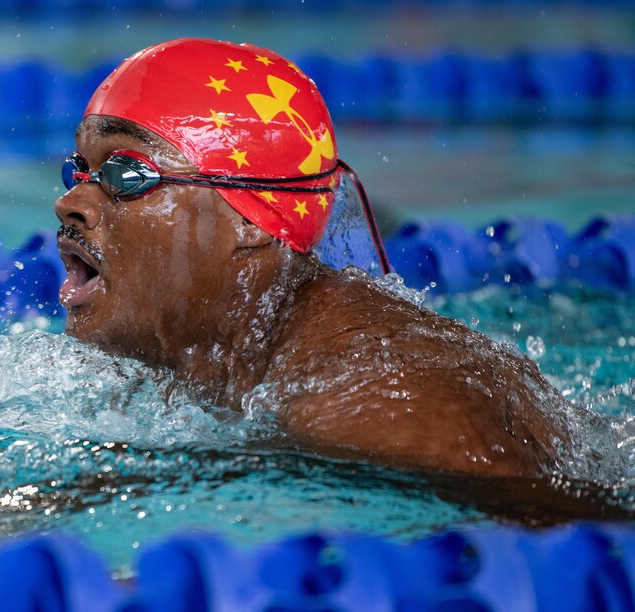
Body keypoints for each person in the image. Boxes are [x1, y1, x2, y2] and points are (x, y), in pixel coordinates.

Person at [52, 38, 569, 479]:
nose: (70, 202)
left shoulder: (382, 404)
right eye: (81, 169)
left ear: (252, 219)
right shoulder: (215, 352)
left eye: (126, 174)